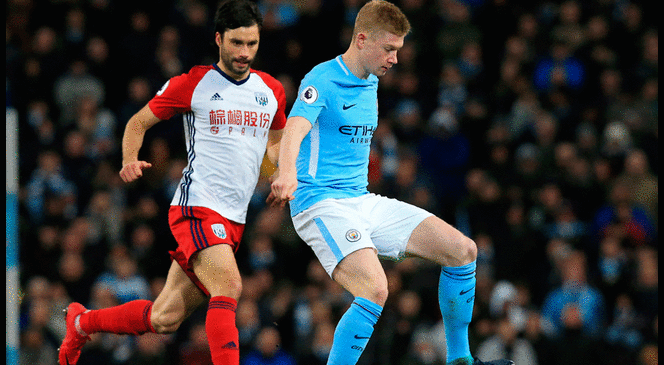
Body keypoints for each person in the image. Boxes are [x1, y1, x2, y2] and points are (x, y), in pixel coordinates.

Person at [268, 1, 514, 364]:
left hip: (360, 200)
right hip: (319, 203)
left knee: (463, 251)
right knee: (375, 288)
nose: (395, 59)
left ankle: (460, 360)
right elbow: (296, 129)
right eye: (389, 49)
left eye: (398, 50)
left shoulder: (369, 81)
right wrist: (287, 171)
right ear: (362, 39)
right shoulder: (321, 79)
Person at [58, 1, 287, 364]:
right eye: (236, 43)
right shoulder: (193, 83)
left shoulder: (271, 91)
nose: (245, 53)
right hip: (196, 208)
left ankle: (82, 322)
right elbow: (137, 123)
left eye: (252, 44)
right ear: (218, 39)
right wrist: (129, 159)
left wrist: (280, 174)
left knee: (164, 318)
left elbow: (274, 145)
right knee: (229, 286)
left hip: (234, 220)